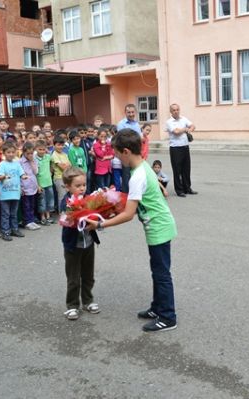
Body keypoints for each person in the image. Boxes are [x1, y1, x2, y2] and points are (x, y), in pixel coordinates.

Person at [85, 129, 178, 332]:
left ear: (126, 151)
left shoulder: (137, 177)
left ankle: (168, 317)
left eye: (117, 153)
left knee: (162, 274)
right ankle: (157, 307)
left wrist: (100, 224)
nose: (116, 158)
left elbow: (128, 214)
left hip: (158, 228)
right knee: (157, 271)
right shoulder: (142, 167)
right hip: (158, 225)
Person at [61, 166, 101, 320]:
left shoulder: (88, 198)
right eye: (78, 186)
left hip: (88, 244)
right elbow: (65, 219)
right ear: (67, 186)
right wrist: (73, 214)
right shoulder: (66, 202)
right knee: (73, 277)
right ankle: (72, 305)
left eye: (84, 185)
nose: (82, 188)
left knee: (88, 275)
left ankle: (88, 300)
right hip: (73, 246)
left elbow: (96, 214)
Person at [0, 142, 28, 241]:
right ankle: (5, 231)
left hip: (15, 192)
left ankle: (14, 229)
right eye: (8, 152)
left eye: (12, 152)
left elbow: (21, 173)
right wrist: (4, 176)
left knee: (14, 213)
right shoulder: (2, 164)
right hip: (5, 194)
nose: (10, 154)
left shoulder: (17, 163)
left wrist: (24, 176)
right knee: (5, 214)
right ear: (4, 153)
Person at [165, 104, 197, 197]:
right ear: (171, 112)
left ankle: (187, 188)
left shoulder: (183, 119)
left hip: (185, 147)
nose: (176, 111)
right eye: (174, 110)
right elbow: (176, 132)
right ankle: (179, 190)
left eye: (177, 109)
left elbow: (193, 126)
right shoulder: (169, 122)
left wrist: (188, 129)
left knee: (186, 169)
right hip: (175, 148)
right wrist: (185, 129)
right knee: (177, 170)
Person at [116, 104, 141, 193]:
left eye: (132, 112)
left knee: (136, 174)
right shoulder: (121, 124)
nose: (131, 114)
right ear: (125, 113)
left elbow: (139, 139)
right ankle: (126, 195)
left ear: (135, 112)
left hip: (136, 154)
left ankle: (135, 193)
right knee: (126, 175)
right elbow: (122, 139)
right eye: (128, 112)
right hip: (126, 154)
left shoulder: (137, 124)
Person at [20, 142, 40, 230]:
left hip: (33, 186)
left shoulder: (34, 160)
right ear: (24, 152)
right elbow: (19, 175)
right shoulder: (20, 162)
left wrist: (32, 161)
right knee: (26, 205)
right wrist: (20, 187)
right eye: (28, 153)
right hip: (25, 187)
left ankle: (32, 220)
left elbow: (36, 172)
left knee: (32, 205)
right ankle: (27, 221)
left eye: (31, 153)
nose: (30, 155)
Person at [35, 140, 54, 225]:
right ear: (36, 149)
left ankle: (48, 216)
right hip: (41, 183)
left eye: (43, 149)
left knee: (49, 199)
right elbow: (35, 173)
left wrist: (51, 170)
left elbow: (52, 162)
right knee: (42, 201)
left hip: (49, 182)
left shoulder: (48, 156)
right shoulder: (34, 158)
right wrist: (38, 185)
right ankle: (42, 217)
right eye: (40, 149)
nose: (42, 151)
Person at [51, 137, 71, 204]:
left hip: (66, 178)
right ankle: (61, 213)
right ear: (54, 145)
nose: (60, 147)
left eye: (62, 145)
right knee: (62, 197)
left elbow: (70, 165)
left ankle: (67, 212)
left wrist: (65, 165)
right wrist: (65, 165)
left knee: (68, 197)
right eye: (58, 145)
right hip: (59, 178)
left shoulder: (65, 154)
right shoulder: (54, 155)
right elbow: (63, 167)